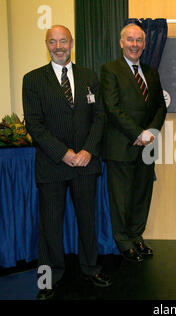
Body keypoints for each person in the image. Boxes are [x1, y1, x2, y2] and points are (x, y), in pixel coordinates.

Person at [22, 25, 112, 300]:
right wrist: (64, 153)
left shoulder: (88, 76)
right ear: (47, 45)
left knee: (87, 220)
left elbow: (100, 117)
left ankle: (91, 268)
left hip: (85, 163)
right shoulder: (33, 79)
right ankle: (49, 278)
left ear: (71, 42)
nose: (58, 46)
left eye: (63, 41)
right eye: (53, 42)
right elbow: (34, 125)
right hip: (52, 164)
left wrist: (87, 151)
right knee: (50, 225)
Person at [100, 24, 167, 263]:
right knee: (121, 199)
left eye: (139, 40)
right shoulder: (110, 70)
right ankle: (124, 242)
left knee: (141, 195)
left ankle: (137, 236)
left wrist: (151, 132)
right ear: (121, 43)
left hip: (148, 147)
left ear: (145, 44)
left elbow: (161, 105)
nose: (135, 44)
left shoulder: (151, 72)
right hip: (121, 146)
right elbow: (112, 108)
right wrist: (138, 133)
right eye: (130, 39)